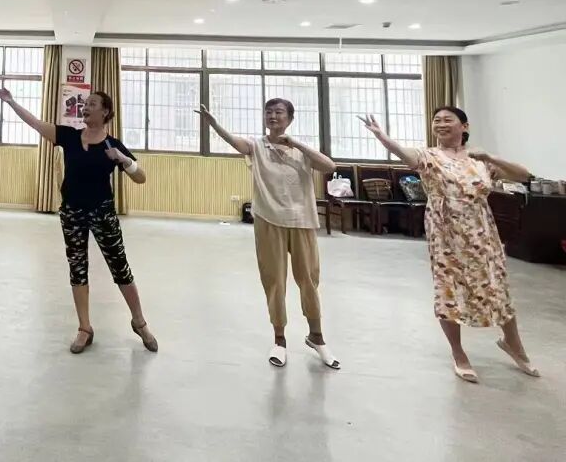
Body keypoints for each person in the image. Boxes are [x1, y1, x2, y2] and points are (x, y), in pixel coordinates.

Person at [360, 107, 539, 383]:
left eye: (448, 120)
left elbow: (524, 175)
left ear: (464, 126)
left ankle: (513, 343)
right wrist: (383, 138)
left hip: (482, 231)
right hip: (445, 232)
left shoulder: (479, 160)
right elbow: (406, 155)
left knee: (496, 286)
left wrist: (490, 157)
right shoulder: (429, 156)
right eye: (437, 121)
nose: (441, 124)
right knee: (448, 289)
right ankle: (458, 353)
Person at [0, 87, 157, 355]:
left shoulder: (112, 145)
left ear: (105, 111)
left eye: (92, 104)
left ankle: (139, 322)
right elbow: (36, 123)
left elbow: (141, 178)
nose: (85, 107)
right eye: (85, 103)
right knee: (77, 267)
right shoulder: (69, 136)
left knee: (120, 266)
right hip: (72, 211)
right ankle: (84, 328)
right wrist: (11, 102)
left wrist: (124, 160)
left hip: (102, 212)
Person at [199, 99, 340, 370]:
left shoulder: (301, 149)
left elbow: (329, 166)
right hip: (268, 220)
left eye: (279, 112)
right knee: (274, 280)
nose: (273, 116)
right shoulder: (257, 146)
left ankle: (317, 336)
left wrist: (295, 144)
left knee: (308, 279)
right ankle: (279, 339)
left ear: (290, 118)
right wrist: (214, 125)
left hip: (301, 220)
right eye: (269, 112)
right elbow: (234, 142)